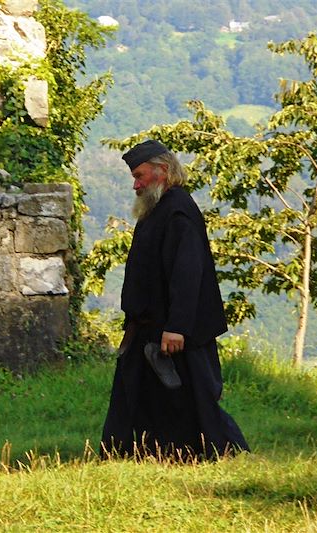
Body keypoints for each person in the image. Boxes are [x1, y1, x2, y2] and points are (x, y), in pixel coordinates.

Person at [100, 139, 249, 461]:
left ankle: (217, 453)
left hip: (173, 329)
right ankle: (145, 454)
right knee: (144, 396)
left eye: (140, 176)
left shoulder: (178, 211)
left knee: (191, 398)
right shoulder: (159, 210)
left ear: (162, 171)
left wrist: (177, 327)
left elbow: (187, 273)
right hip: (150, 327)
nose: (136, 185)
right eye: (134, 178)